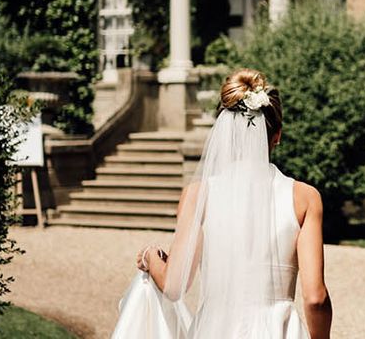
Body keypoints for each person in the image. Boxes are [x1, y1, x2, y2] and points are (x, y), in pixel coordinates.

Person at [130, 69, 333, 339]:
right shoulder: (304, 197)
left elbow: (174, 285)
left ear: (225, 133)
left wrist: (150, 257)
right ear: (277, 135)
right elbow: (315, 298)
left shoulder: (197, 196)